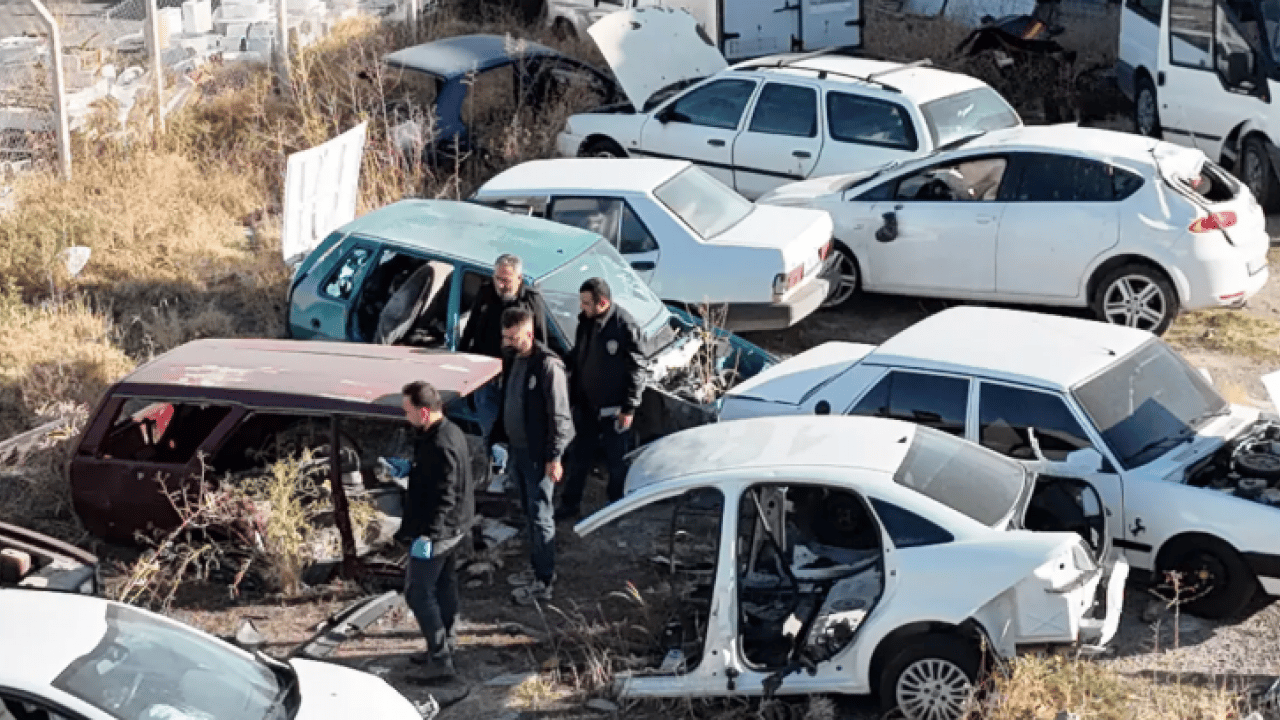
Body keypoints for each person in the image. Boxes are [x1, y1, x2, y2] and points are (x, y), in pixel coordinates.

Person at [491, 306, 574, 605]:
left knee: (541, 515)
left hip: (540, 455)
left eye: (514, 337)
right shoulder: (514, 360)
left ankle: (544, 579)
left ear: (529, 333)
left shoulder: (548, 366)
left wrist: (555, 457)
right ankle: (536, 565)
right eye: (506, 337)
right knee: (527, 509)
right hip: (518, 450)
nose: (509, 343)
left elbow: (560, 416)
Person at [396, 380, 475, 681]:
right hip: (455, 525)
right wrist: (411, 470)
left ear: (425, 412)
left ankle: (440, 659)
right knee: (444, 584)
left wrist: (429, 535)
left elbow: (446, 494)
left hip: (441, 529)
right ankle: (447, 644)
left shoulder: (441, 444)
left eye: (409, 412)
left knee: (418, 592)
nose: (406, 418)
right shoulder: (446, 433)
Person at [556, 277, 647, 523]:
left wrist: (629, 407)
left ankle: (616, 507)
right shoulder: (586, 322)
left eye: (587, 302)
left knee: (616, 461)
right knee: (579, 457)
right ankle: (570, 504)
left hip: (614, 408)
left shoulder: (624, 326)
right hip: (586, 405)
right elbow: (580, 354)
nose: (582, 307)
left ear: (603, 302)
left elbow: (638, 369)